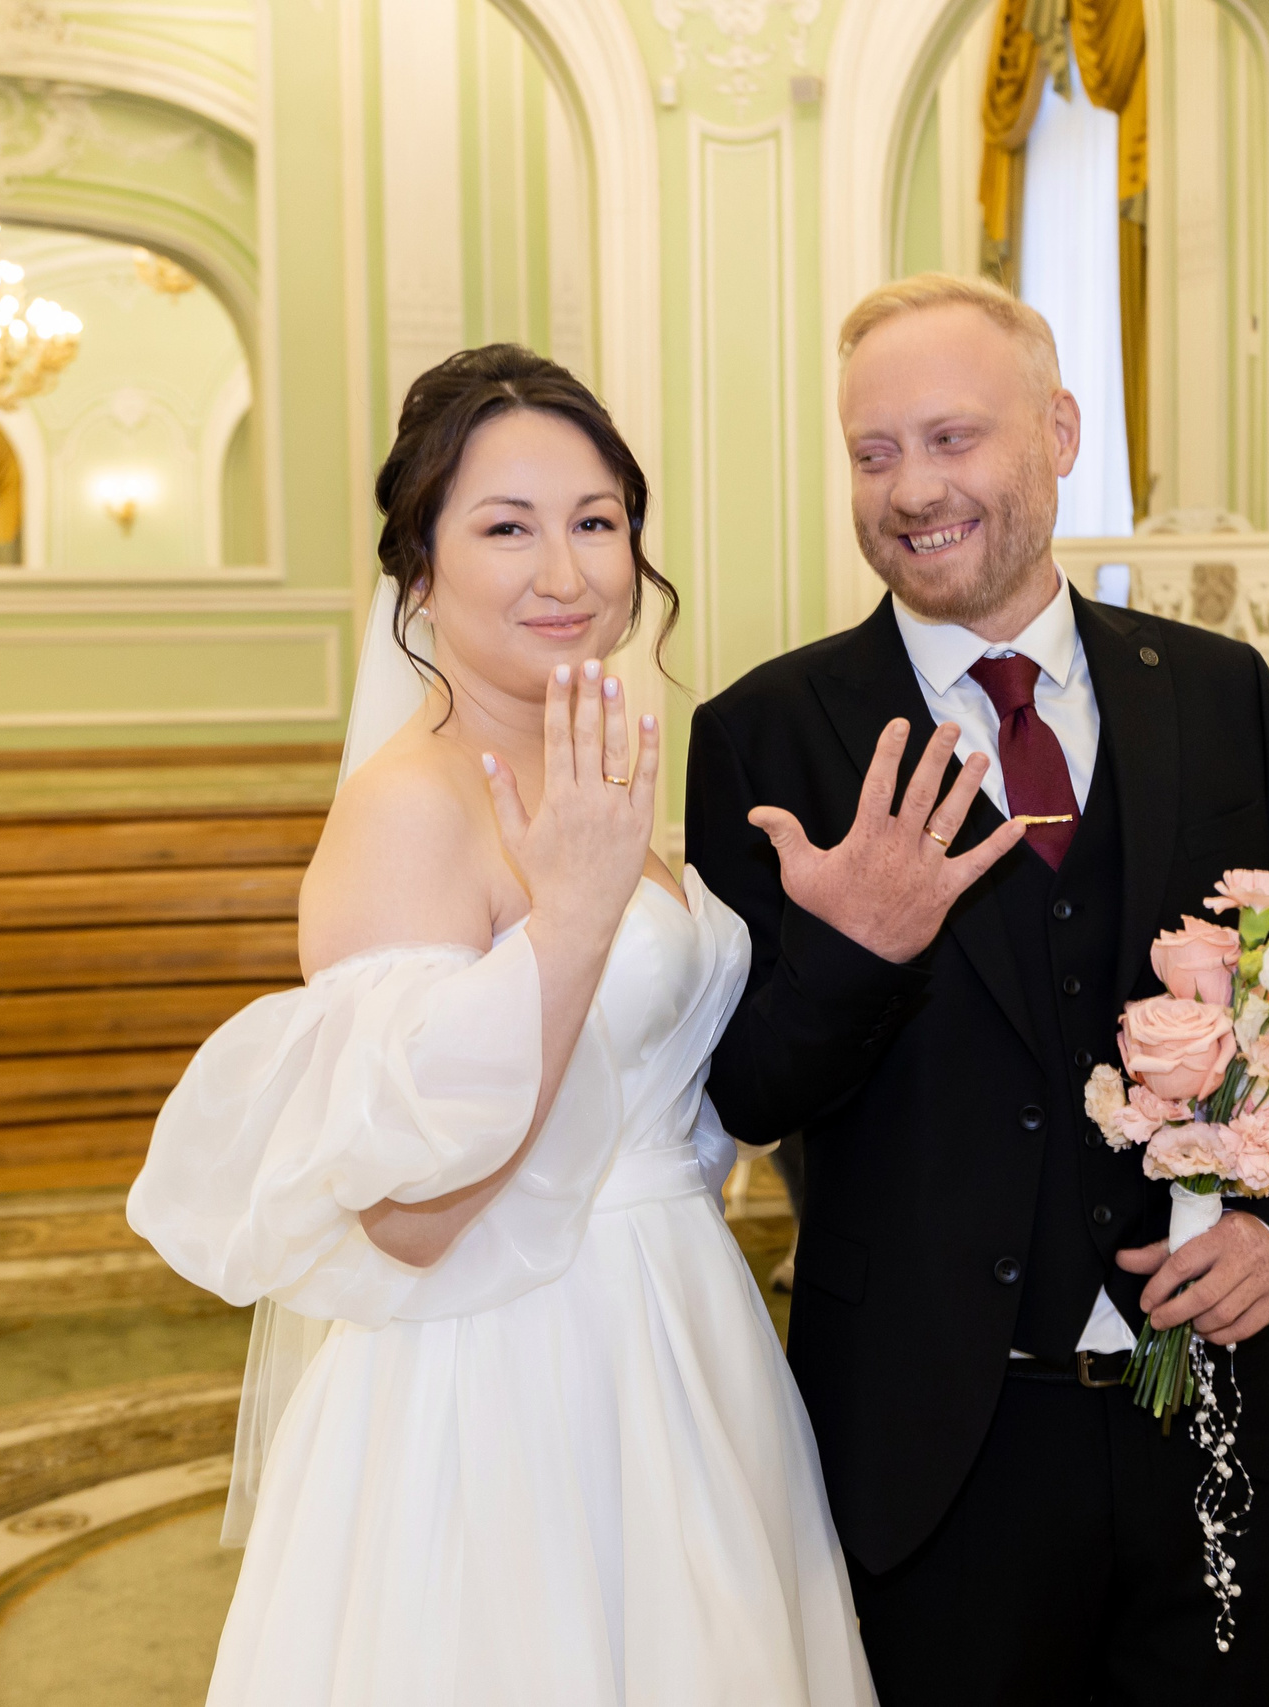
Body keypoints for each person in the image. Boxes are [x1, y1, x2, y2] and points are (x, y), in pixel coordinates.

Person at [127, 345, 875, 1704]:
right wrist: (571, 926)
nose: (567, 570)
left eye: (596, 520)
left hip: (685, 1332)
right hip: (509, 1368)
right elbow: (406, 1217)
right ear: (419, 569)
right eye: (507, 528)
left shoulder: (587, 755)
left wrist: (836, 942)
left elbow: (668, 1090)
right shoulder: (409, 806)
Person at [685, 273, 1269, 1705]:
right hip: (937, 1446)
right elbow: (743, 1091)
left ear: (1060, 432)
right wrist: (860, 949)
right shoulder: (768, 735)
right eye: (873, 452)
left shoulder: (1215, 692)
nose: (911, 488)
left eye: (952, 437)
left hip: (1216, 1407)